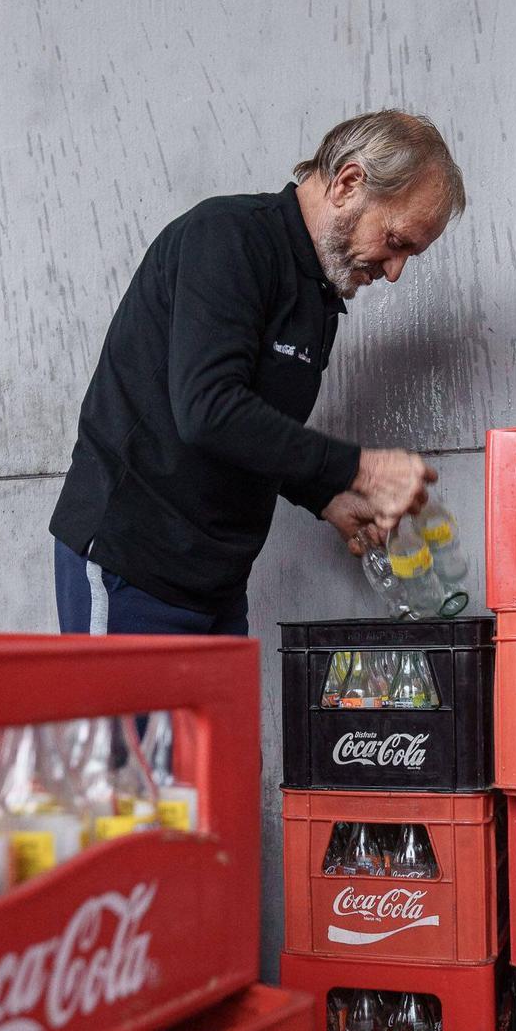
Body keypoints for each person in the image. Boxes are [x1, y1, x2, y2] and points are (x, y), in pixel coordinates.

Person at [50, 109, 466, 636]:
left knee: (225, 726)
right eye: (396, 241)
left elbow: (254, 427)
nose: (395, 271)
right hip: (130, 568)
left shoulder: (320, 293)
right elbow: (208, 410)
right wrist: (360, 471)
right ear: (349, 183)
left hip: (216, 584)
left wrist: (325, 496)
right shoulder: (226, 238)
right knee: (131, 726)